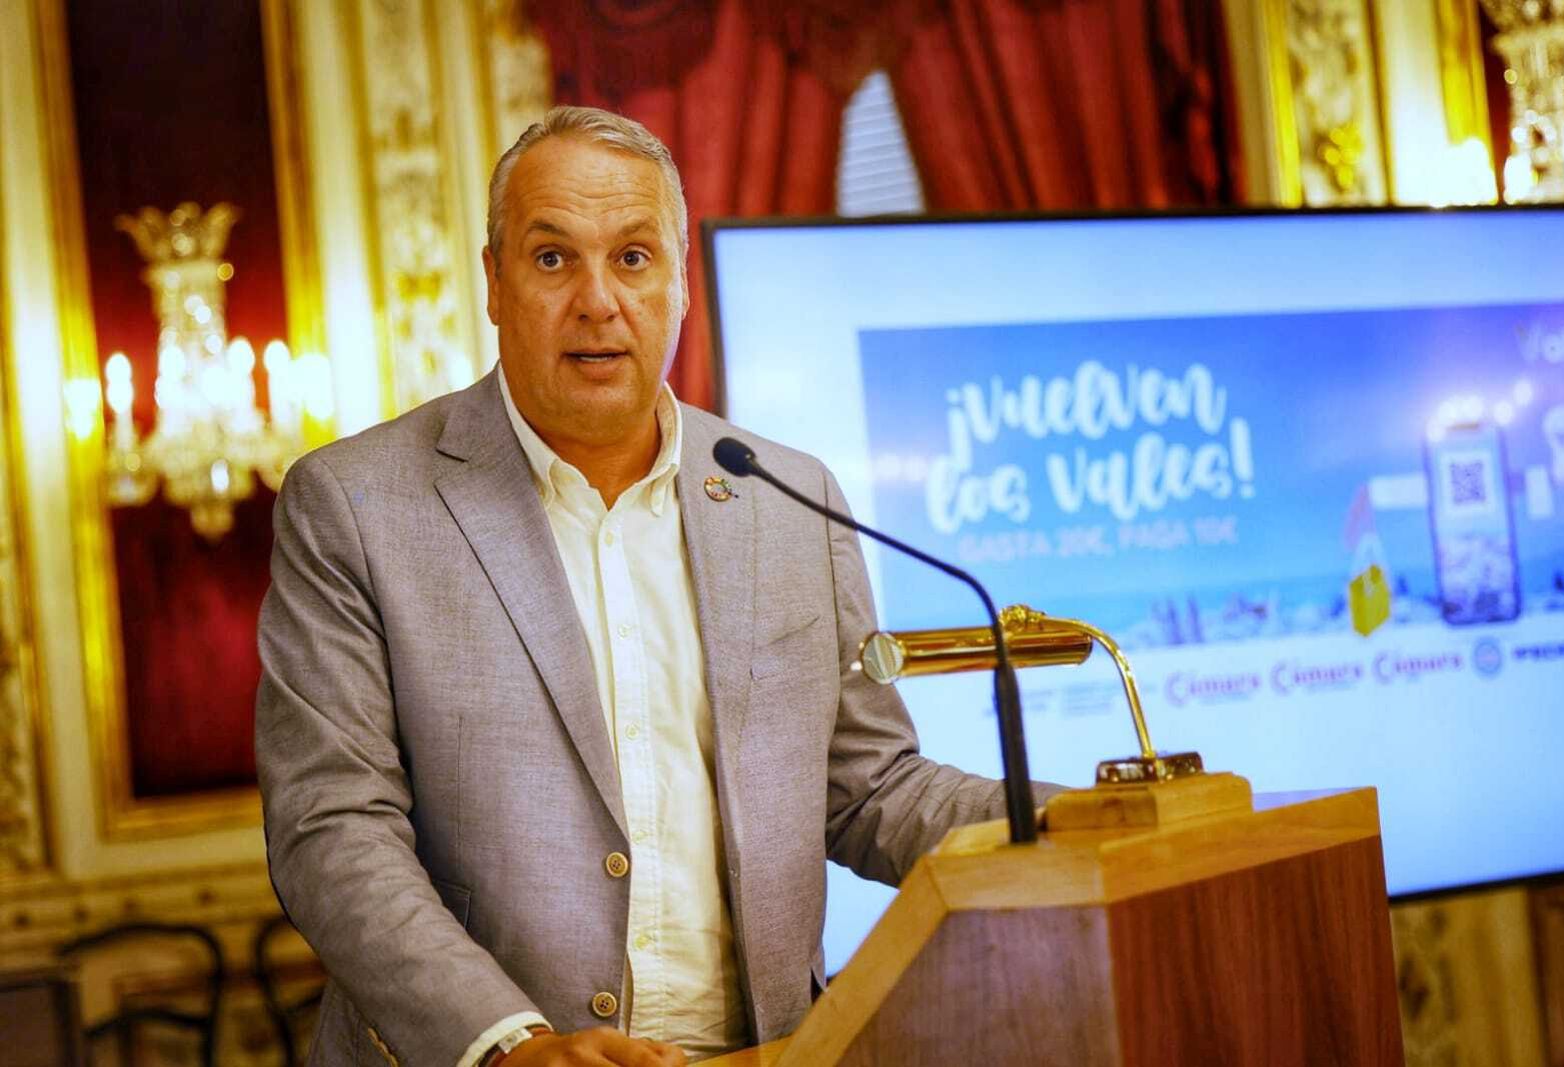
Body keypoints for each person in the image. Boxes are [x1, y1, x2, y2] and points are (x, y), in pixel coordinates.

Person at [256, 105, 1050, 1067]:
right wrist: (511, 1045)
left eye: (633, 258)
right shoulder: (354, 504)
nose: (597, 300)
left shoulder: (787, 496)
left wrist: (1063, 817)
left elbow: (866, 788)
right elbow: (333, 826)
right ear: (495, 284)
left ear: (680, 287)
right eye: (553, 258)